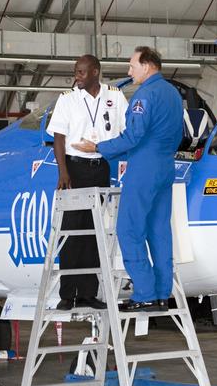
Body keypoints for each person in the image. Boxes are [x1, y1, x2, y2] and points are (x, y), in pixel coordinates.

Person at [74, 46, 184, 313]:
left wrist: (98, 148)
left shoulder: (144, 95)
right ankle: (161, 294)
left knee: (129, 229)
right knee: (159, 231)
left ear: (147, 66)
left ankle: (144, 293)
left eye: (132, 65)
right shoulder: (172, 93)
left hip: (144, 167)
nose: (129, 71)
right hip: (166, 167)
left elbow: (133, 137)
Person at [46, 54, 128, 310]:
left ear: (95, 72)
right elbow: (59, 138)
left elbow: (128, 131)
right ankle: (67, 294)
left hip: (101, 167)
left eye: (81, 72)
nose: (76, 77)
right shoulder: (67, 100)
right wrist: (63, 172)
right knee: (72, 232)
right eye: (75, 72)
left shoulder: (115, 98)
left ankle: (88, 294)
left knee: (93, 233)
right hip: (75, 168)